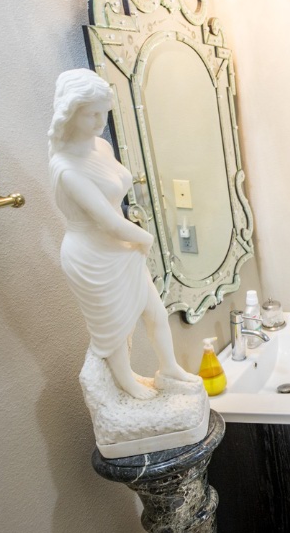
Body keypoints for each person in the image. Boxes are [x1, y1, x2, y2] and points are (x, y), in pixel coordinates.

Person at [49, 68, 199, 399]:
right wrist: (145, 239)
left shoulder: (100, 147)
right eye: (92, 114)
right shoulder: (66, 168)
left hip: (121, 247)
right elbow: (108, 221)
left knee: (154, 310)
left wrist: (135, 242)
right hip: (92, 254)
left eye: (104, 112)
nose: (100, 122)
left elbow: (117, 205)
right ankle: (126, 382)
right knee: (115, 328)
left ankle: (169, 367)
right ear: (71, 112)